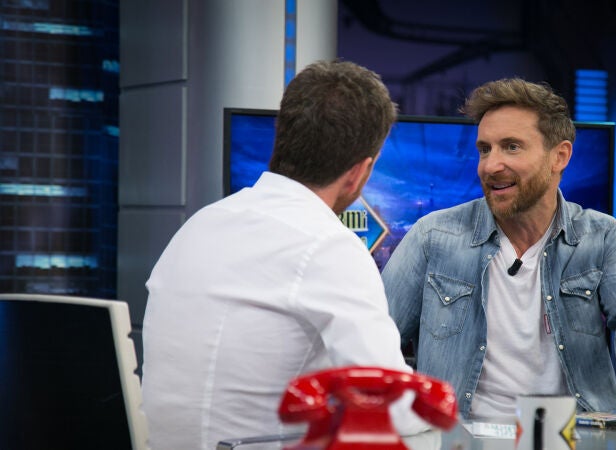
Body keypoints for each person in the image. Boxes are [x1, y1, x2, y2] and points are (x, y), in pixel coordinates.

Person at [141, 60, 428, 449]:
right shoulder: (329, 245)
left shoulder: (198, 225)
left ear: (283, 134)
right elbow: (390, 407)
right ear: (359, 172)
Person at [381, 78, 616, 419]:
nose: (490, 165)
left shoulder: (601, 236)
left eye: (511, 147)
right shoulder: (432, 236)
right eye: (485, 149)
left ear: (559, 156)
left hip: (574, 436)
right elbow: (374, 337)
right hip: (461, 437)